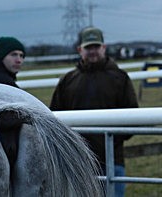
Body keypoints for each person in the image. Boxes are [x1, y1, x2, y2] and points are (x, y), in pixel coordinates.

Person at [49, 27, 138, 197]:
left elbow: (133, 116)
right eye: (88, 48)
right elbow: (55, 118)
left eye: (96, 47)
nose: (93, 52)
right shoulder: (67, 81)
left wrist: (112, 140)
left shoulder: (120, 77)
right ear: (80, 50)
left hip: (112, 159)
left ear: (104, 48)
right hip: (76, 161)